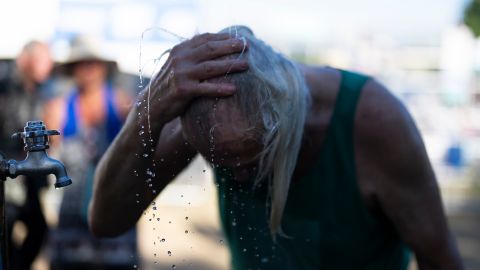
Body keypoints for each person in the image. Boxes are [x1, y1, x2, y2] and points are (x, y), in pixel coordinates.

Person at [89, 26, 464, 269]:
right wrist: (145, 113)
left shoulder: (374, 124)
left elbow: (439, 258)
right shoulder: (204, 115)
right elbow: (106, 222)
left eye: (252, 159)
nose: (237, 175)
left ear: (285, 120)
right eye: (220, 161)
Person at [43, 34, 135, 270]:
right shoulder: (59, 108)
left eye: (93, 63)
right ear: (73, 69)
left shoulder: (121, 104)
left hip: (115, 204)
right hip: (72, 209)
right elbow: (49, 158)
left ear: (103, 67)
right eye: (81, 64)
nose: (88, 69)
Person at [0, 40, 54, 270]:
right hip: (7, 172)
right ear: (26, 59)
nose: (47, 66)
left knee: (38, 228)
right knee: (7, 226)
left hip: (24, 176)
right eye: (41, 59)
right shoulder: (7, 86)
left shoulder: (35, 91)